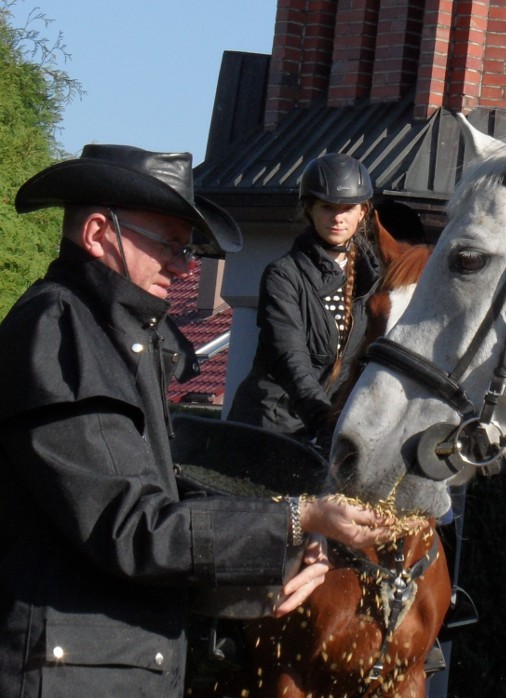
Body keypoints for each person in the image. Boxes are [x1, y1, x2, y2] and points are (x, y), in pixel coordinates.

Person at [0, 145, 403, 698]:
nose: (186, 265)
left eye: (189, 248)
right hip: (71, 674)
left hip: (117, 663)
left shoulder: (119, 335)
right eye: (169, 242)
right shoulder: (63, 331)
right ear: (97, 233)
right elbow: (133, 529)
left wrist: (281, 547)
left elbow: (166, 498)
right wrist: (294, 515)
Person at [227, 153, 380, 453]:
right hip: (269, 427)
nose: (337, 218)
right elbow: (289, 356)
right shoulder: (283, 275)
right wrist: (322, 418)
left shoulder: (371, 281)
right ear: (309, 209)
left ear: (362, 213)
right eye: (327, 207)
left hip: (325, 431)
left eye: (347, 208)